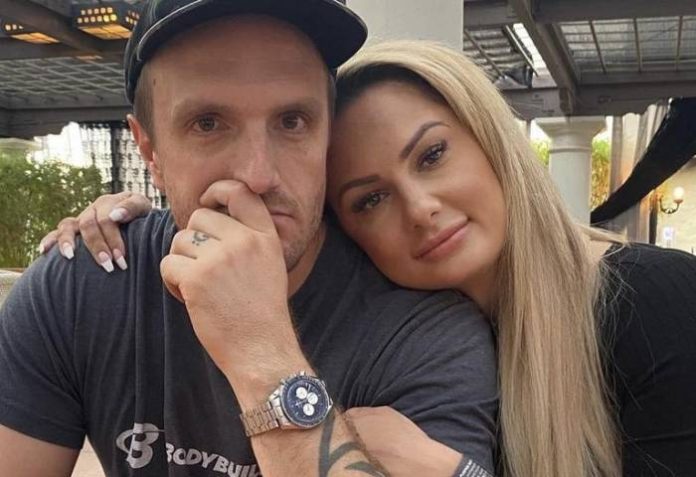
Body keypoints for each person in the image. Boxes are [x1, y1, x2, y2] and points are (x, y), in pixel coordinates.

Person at [53, 40, 696, 477]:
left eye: (432, 155)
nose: (419, 208)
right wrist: (158, 211)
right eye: (370, 199)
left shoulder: (651, 303)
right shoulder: (423, 327)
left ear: (493, 141)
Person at [0, 3, 499, 477]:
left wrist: (261, 352)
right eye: (208, 124)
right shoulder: (82, 286)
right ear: (150, 152)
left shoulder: (425, 332)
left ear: (328, 138)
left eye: (292, 121)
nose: (259, 176)